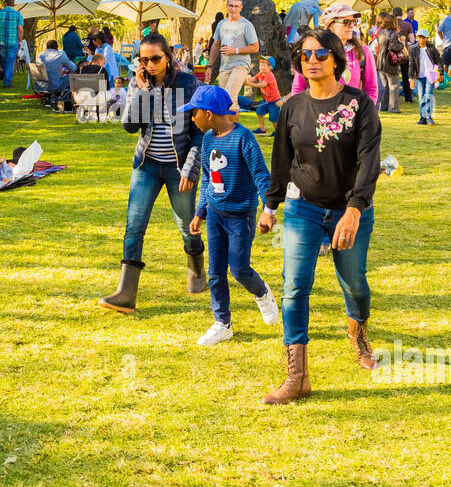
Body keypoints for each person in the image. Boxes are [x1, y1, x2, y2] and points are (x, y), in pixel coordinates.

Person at [257, 28, 382, 404]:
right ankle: (297, 376)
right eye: (306, 54)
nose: (312, 60)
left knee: (354, 282)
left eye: (320, 54)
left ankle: (358, 334)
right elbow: (281, 160)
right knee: (294, 286)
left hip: (349, 209)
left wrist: (354, 210)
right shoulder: (292, 107)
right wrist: (270, 207)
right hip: (303, 207)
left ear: (336, 59)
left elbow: (369, 162)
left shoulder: (359, 105)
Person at [98, 32, 205, 313]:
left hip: (178, 168)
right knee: (134, 226)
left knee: (186, 224)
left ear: (168, 58)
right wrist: (143, 92)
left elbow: (198, 133)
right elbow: (130, 126)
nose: (150, 64)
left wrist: (191, 169)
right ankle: (126, 293)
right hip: (146, 165)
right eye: (144, 59)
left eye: (155, 58)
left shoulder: (187, 83)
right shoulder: (138, 83)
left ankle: (196, 267)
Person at [177, 84, 278, 345]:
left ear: (209, 114)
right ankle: (222, 323)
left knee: (240, 269)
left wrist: (268, 211)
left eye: (194, 113)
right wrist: (200, 212)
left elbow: (261, 176)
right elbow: (209, 181)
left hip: (240, 217)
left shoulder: (244, 138)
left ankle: (262, 292)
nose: (191, 118)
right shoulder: (208, 139)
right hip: (215, 216)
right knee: (215, 272)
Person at [213, 0, 260, 111]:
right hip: (224, 66)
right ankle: (226, 128)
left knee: (229, 97)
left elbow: (255, 47)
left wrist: (235, 50)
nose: (233, 9)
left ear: (241, 8)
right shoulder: (221, 24)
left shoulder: (246, 25)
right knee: (223, 100)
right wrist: (209, 66)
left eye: (236, 6)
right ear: (226, 6)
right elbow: (215, 45)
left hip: (241, 64)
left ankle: (233, 129)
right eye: (231, 6)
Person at [0, 0, 25, 88]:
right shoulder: (18, 14)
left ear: (5, 4)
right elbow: (20, 29)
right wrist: (20, 41)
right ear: (13, 5)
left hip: (1, 42)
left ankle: (6, 78)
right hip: (12, 42)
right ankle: (7, 82)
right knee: (10, 61)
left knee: (4, 60)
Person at [373, 13, 404, 113]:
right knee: (394, 85)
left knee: (385, 86)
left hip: (380, 61)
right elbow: (395, 47)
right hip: (390, 62)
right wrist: (402, 44)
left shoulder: (380, 32)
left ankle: (383, 106)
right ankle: (394, 108)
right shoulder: (393, 34)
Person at [409, 29, 441, 125]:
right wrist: (410, 79)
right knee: (421, 96)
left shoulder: (432, 49)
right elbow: (411, 65)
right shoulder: (413, 50)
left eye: (423, 37)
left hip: (430, 76)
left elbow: (439, 61)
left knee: (428, 95)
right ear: (416, 37)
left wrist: (441, 73)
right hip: (419, 76)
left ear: (427, 38)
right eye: (419, 37)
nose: (421, 39)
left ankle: (428, 117)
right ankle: (422, 117)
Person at [245, 56, 282, 134]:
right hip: (266, 100)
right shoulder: (260, 73)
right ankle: (262, 129)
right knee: (259, 112)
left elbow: (262, 85)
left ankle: (277, 132)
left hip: (274, 101)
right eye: (260, 65)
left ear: (270, 67)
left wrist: (250, 84)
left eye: (263, 65)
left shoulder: (269, 75)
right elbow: (252, 79)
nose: (261, 67)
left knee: (273, 118)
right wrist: (246, 78)